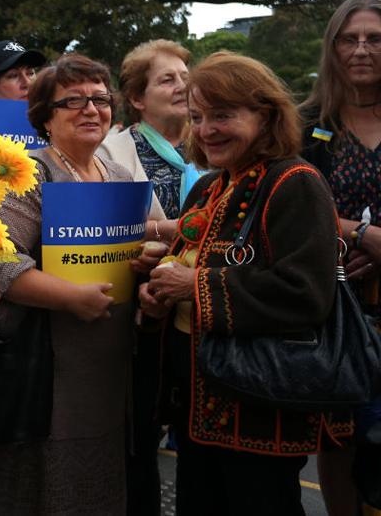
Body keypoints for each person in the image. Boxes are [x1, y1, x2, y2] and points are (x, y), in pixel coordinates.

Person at [140, 52, 353, 514]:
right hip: (198, 405)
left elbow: (306, 295)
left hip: (259, 408)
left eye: (223, 115)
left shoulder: (295, 182)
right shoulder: (210, 187)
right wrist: (156, 294)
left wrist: (193, 285)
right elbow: (187, 270)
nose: (206, 130)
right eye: (197, 117)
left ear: (266, 115)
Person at [0, 54, 136, 515]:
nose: (91, 109)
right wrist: (70, 298)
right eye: (73, 101)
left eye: (99, 99)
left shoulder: (120, 176)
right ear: (44, 118)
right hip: (46, 370)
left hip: (108, 367)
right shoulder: (27, 176)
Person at [97, 39, 197, 515]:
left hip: (202, 313)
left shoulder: (212, 140)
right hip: (141, 310)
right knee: (140, 437)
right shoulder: (112, 150)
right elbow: (103, 223)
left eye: (184, 75)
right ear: (136, 98)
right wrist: (166, 230)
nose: (182, 85)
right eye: (166, 79)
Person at [299, 0, 381, 515]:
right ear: (332, 48)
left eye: (375, 39)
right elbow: (288, 202)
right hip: (335, 306)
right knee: (339, 435)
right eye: (348, 39)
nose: (361, 49)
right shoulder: (305, 124)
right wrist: (362, 236)